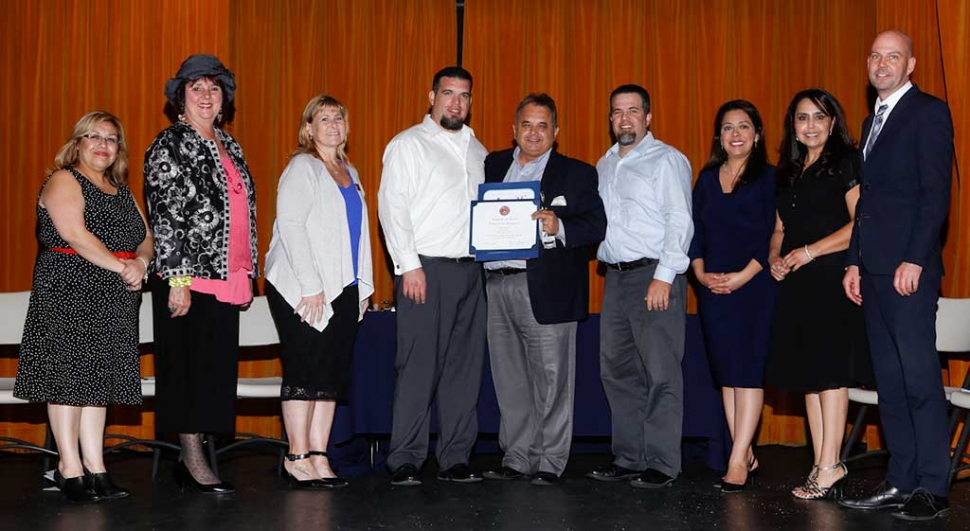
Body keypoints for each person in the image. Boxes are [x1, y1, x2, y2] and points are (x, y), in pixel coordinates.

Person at [840, 30, 954, 521]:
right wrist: (853, 259)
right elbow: (867, 203)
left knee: (919, 379)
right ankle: (901, 478)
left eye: (893, 57)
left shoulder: (928, 112)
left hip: (909, 270)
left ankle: (933, 485)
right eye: (875, 56)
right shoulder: (870, 122)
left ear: (911, 65)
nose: (882, 64)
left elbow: (934, 194)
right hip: (873, 269)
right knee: (889, 380)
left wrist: (915, 258)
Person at [14, 111, 153, 503]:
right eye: (94, 136)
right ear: (77, 143)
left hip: (115, 293)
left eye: (111, 139)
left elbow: (145, 238)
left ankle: (96, 466)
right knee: (68, 378)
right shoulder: (64, 179)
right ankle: (68, 466)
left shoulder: (120, 189)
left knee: (99, 382)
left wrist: (140, 263)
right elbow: (74, 234)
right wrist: (122, 267)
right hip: (69, 287)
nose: (103, 145)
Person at [144, 54, 258, 494]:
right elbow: (166, 213)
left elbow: (242, 211)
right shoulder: (170, 143)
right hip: (187, 277)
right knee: (186, 368)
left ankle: (195, 455)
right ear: (180, 98)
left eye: (214, 88)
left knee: (213, 370)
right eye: (197, 88)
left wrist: (246, 270)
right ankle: (190, 459)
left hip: (226, 275)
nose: (207, 96)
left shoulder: (231, 145)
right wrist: (176, 278)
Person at [480, 93, 606, 486]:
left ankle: (550, 461)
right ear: (513, 129)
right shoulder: (493, 164)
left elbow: (596, 227)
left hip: (548, 289)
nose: (534, 133)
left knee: (552, 379)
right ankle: (517, 457)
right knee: (509, 377)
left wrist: (560, 228)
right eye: (526, 125)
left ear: (556, 131)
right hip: (497, 286)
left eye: (543, 126)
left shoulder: (578, 173)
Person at [377, 66, 488, 486]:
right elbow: (392, 207)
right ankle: (404, 457)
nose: (455, 102)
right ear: (431, 96)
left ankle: (455, 457)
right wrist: (410, 266)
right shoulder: (408, 145)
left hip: (471, 272)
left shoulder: (479, 151)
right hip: (425, 269)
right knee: (417, 366)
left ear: (470, 102)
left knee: (465, 368)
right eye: (448, 93)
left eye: (463, 95)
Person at [764, 88, 871, 500]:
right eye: (802, 118)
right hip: (796, 282)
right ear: (793, 125)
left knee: (830, 375)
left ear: (832, 122)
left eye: (818, 117)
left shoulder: (845, 162)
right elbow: (778, 230)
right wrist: (777, 256)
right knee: (809, 378)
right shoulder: (788, 170)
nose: (810, 125)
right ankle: (821, 463)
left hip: (831, 278)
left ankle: (830, 464)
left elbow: (859, 224)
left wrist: (808, 252)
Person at [264, 95, 374, 489]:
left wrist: (363, 286)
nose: (333, 124)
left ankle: (319, 454)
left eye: (339, 117)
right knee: (305, 370)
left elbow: (358, 237)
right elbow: (291, 227)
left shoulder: (350, 171)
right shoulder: (302, 167)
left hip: (342, 287)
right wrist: (311, 288)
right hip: (302, 287)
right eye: (323, 118)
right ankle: (296, 456)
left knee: (329, 376)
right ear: (308, 128)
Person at [588, 84, 693, 489]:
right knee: (617, 371)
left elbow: (679, 221)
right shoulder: (604, 164)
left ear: (648, 117)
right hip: (614, 277)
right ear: (611, 119)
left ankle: (662, 463)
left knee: (661, 372)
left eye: (633, 111)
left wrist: (664, 277)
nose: (625, 119)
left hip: (654, 276)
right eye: (617, 112)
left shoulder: (667, 160)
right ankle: (629, 456)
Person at [689, 100, 775, 493]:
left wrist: (743, 276)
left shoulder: (771, 179)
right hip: (713, 288)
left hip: (754, 286)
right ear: (718, 136)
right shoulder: (706, 179)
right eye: (727, 127)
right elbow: (696, 234)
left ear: (757, 135)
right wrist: (701, 273)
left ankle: (738, 458)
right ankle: (746, 451)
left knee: (749, 372)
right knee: (727, 375)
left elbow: (775, 236)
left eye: (744, 126)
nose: (735, 134)